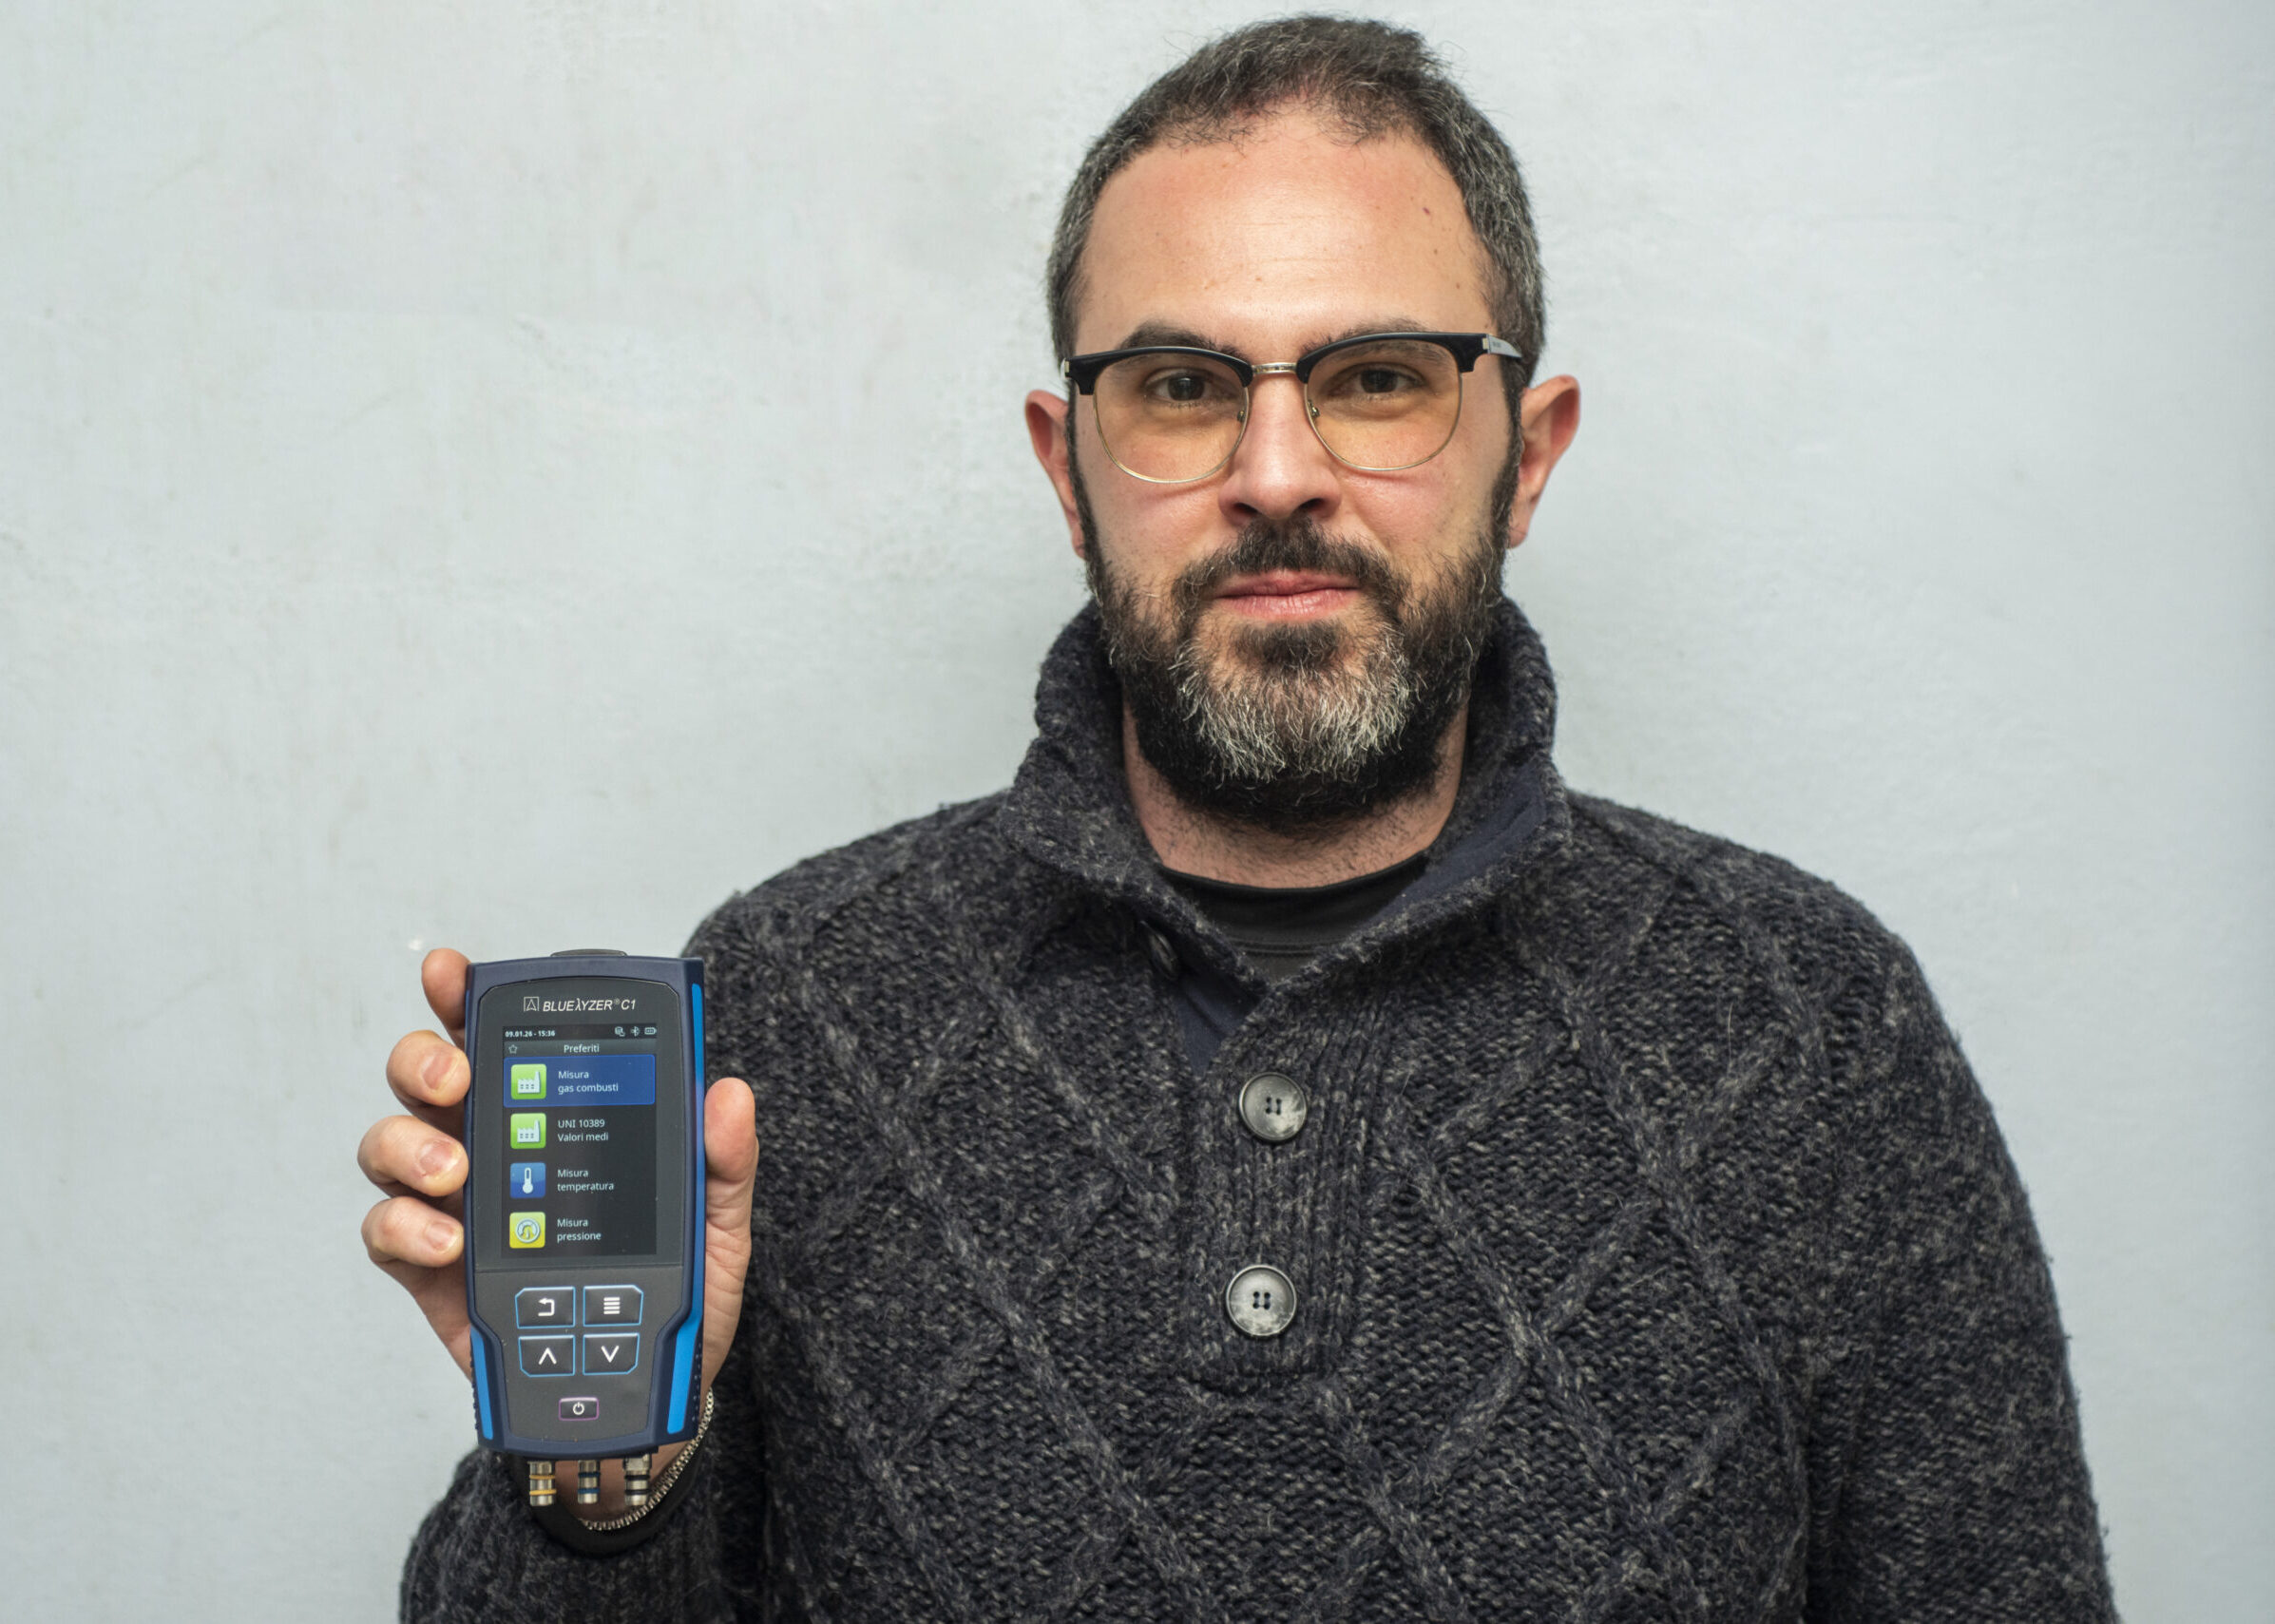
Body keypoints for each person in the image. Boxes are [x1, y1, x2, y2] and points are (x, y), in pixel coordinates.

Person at [363, 16, 2116, 1620]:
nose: (1276, 475)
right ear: (1068, 469)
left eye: (1378, 378)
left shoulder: (1813, 1031)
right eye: (1183, 388)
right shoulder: (787, 1001)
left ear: (1529, 451)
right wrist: (604, 1481)